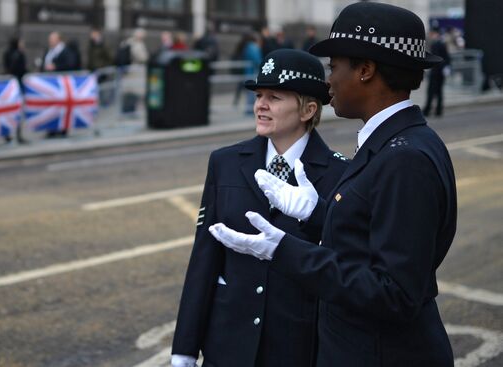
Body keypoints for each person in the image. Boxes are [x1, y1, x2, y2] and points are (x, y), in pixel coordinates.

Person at [209, 3, 457, 366]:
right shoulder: (395, 142)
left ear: (366, 71)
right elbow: (369, 236)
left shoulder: (404, 157)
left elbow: (394, 293)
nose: (328, 82)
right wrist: (317, 213)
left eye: (334, 68)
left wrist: (283, 251)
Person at [171, 49, 350, 367]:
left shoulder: (340, 173)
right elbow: (204, 258)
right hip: (227, 343)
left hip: (298, 345)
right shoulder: (225, 162)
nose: (260, 105)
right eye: (259, 95)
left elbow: (343, 261)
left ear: (308, 109)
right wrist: (184, 348)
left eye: (275, 97)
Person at [3, 36, 28, 144]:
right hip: (18, 84)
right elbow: (21, 69)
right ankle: (17, 134)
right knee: (18, 110)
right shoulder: (19, 55)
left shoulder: (7, 53)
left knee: (9, 110)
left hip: (9, 85)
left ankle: (7, 133)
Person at [423, 28, 451, 117]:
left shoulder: (436, 44)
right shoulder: (442, 43)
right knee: (439, 92)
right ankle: (438, 110)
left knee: (431, 92)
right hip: (441, 72)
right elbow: (447, 57)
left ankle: (427, 110)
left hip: (435, 71)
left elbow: (436, 58)